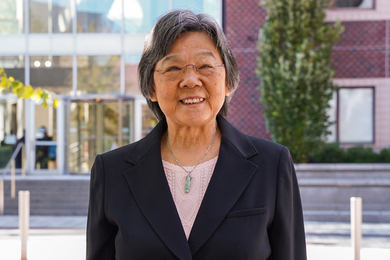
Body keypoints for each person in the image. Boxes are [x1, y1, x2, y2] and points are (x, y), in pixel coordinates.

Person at [87, 10, 306, 260]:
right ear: (151, 87)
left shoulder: (271, 164)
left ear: (227, 81)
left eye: (205, 65)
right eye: (173, 68)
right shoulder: (111, 171)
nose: (191, 80)